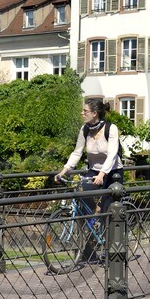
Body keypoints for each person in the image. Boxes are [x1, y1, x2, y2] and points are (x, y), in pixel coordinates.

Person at [59, 97, 123, 260]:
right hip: (93, 170)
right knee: (82, 192)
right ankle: (95, 212)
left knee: (110, 210)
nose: (82, 113)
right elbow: (77, 152)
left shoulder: (111, 128)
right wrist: (64, 171)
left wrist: (103, 174)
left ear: (94, 113)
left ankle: (113, 250)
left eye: (85, 111)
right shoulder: (85, 129)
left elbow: (112, 154)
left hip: (112, 172)